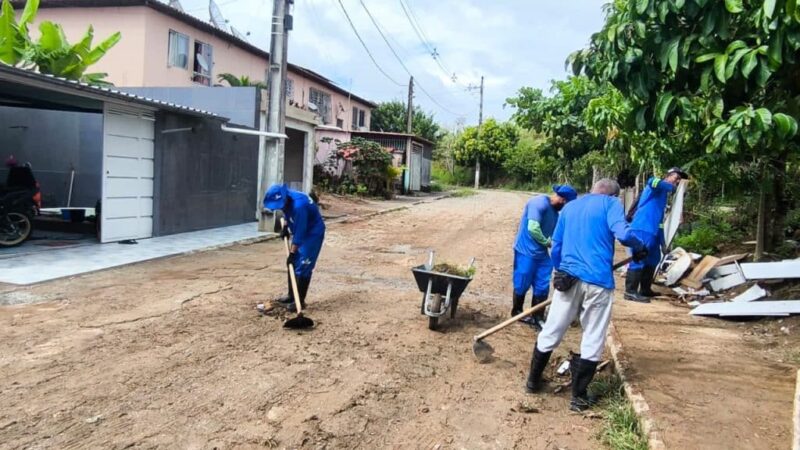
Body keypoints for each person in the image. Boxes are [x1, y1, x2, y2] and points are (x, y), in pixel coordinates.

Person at [524, 178, 647, 412]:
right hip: (598, 282)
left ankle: (532, 382)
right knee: (593, 335)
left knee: (552, 329)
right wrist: (639, 246)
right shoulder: (611, 204)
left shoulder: (570, 207)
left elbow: (557, 244)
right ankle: (578, 398)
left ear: (592, 190)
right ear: (613, 195)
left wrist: (560, 270)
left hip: (568, 279)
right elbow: (623, 233)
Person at [511, 184, 578, 331]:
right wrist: (547, 242)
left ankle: (538, 316)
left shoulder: (556, 214)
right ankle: (517, 311)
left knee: (542, 284)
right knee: (522, 281)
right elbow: (533, 228)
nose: (564, 206)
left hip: (542, 255)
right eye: (565, 203)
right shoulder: (538, 203)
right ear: (562, 199)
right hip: (526, 251)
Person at [624, 167, 689, 303]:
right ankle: (630, 291)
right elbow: (652, 181)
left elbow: (660, 222)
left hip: (653, 231)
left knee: (654, 258)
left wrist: (663, 242)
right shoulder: (656, 185)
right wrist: (673, 188)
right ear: (668, 176)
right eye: (676, 178)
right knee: (639, 257)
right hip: (642, 227)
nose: (677, 181)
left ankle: (645, 289)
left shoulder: (663, 196)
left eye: (679, 180)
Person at [263, 183, 326, 313]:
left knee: (303, 265)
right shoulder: (288, 197)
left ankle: (299, 301)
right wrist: (286, 227)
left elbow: (299, 235)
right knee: (292, 264)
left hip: (312, 233)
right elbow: (287, 213)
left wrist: (292, 254)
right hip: (302, 229)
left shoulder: (299, 206)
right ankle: (291, 296)